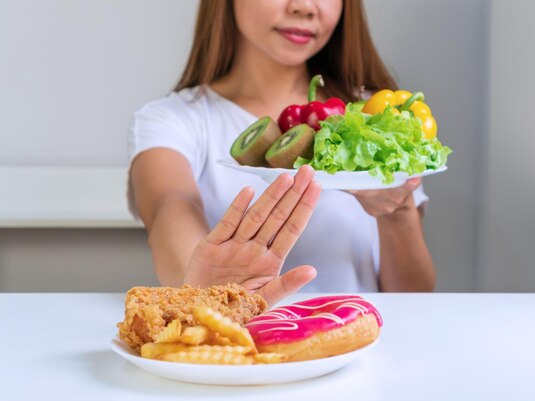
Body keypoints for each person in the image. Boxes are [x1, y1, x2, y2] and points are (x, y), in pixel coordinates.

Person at [128, 0, 436, 306]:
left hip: (362, 343)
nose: (304, 6)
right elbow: (171, 208)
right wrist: (202, 287)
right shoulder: (173, 120)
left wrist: (399, 212)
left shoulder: (377, 116)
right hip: (243, 347)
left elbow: (415, 298)